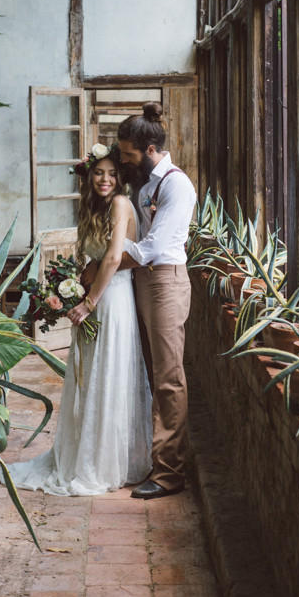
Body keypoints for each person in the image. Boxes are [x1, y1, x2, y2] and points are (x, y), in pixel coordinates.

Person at [7, 146, 152, 495]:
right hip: (98, 296)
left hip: (113, 298)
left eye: (111, 174)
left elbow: (115, 257)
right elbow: (94, 259)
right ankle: (84, 455)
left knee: (109, 374)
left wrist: (87, 303)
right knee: (90, 376)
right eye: (98, 173)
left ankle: (105, 462)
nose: (104, 179)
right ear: (90, 177)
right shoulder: (94, 208)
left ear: (120, 179)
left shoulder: (120, 204)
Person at [78, 102, 196, 500]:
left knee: (168, 377)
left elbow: (155, 246)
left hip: (165, 281)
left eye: (127, 155)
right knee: (148, 371)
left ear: (148, 149)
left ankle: (170, 473)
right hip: (141, 282)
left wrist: (105, 263)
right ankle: (150, 457)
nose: (124, 162)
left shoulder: (177, 184)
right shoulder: (146, 183)